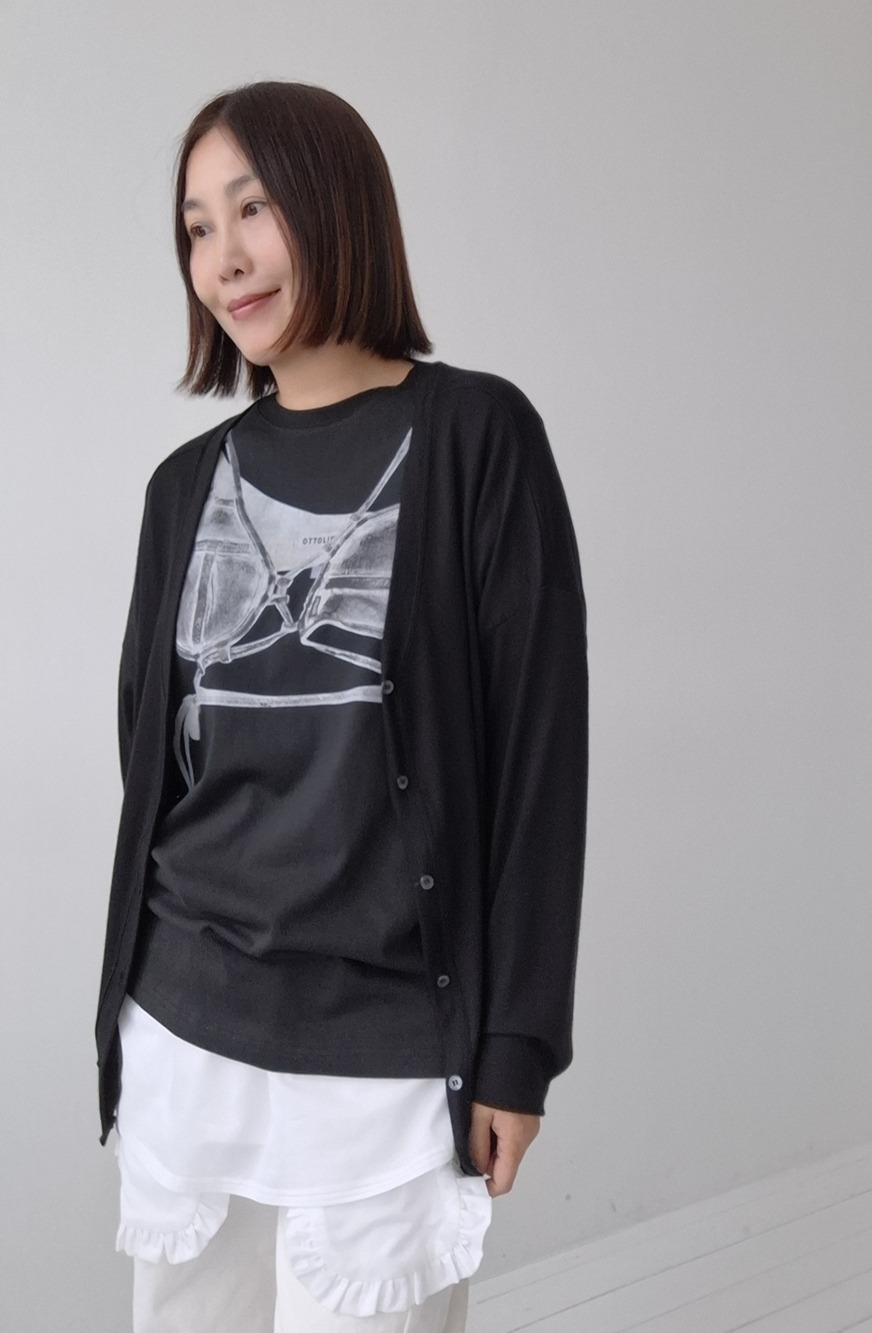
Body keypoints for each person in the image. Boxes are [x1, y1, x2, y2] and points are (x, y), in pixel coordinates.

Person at [96, 79, 588, 1333]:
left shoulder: (476, 436)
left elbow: (540, 761)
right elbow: (154, 755)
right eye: (196, 227)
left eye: (252, 209)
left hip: (386, 1050)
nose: (223, 257)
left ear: (338, 204)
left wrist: (518, 1045)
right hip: (188, 1029)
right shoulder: (182, 487)